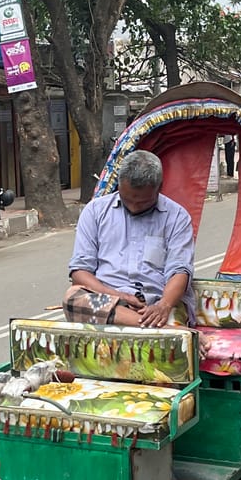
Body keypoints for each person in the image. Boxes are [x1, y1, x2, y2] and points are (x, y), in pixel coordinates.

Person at [63, 150, 209, 355]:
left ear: (159, 189)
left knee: (173, 350)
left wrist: (164, 305)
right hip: (108, 300)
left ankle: (160, 327)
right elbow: (80, 271)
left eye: (142, 202)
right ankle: (166, 331)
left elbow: (179, 271)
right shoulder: (95, 211)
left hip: (155, 302)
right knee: (72, 297)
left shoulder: (176, 217)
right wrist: (119, 296)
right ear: (119, 185)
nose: (133, 207)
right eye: (127, 199)